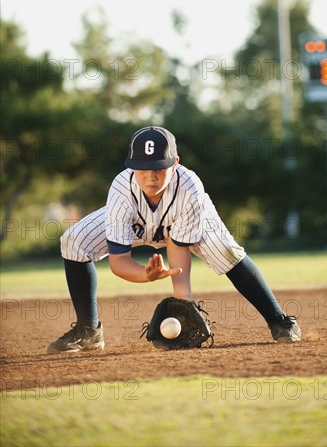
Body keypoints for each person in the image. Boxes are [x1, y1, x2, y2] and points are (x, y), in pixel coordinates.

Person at [47, 126, 301, 354]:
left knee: (225, 251)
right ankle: (88, 331)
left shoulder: (190, 188)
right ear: (131, 166)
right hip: (136, 223)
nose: (151, 176)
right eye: (142, 168)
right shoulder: (121, 188)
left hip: (186, 218)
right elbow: (119, 262)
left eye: (159, 167)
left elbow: (178, 252)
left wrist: (184, 303)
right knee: (74, 240)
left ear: (175, 163)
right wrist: (147, 275)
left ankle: (279, 320)